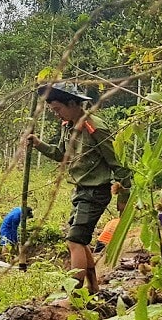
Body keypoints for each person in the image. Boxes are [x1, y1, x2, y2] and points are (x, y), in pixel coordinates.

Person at [28, 82, 132, 294]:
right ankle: (93, 288)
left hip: (96, 191)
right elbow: (62, 155)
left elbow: (118, 163)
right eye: (53, 111)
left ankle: (73, 293)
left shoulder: (96, 128)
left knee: (75, 239)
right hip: (80, 190)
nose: (56, 115)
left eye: (58, 109)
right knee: (80, 240)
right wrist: (39, 144)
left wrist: (124, 194)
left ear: (74, 103)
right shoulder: (67, 127)